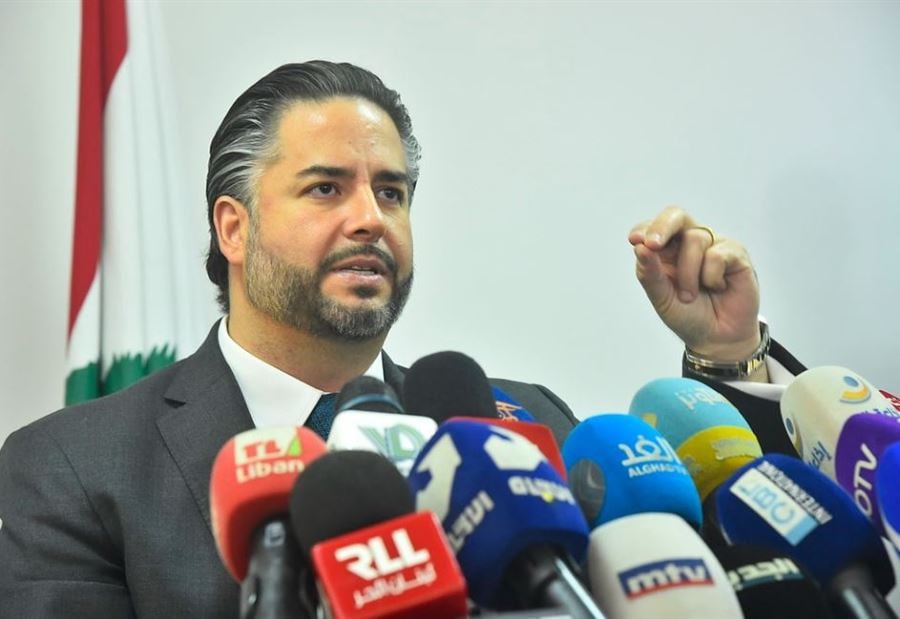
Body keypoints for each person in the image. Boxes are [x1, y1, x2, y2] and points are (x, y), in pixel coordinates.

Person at [0, 61, 797, 617]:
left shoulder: (526, 422)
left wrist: (727, 355)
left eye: (391, 191)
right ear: (233, 229)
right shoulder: (71, 467)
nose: (371, 219)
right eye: (326, 188)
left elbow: (739, 567)